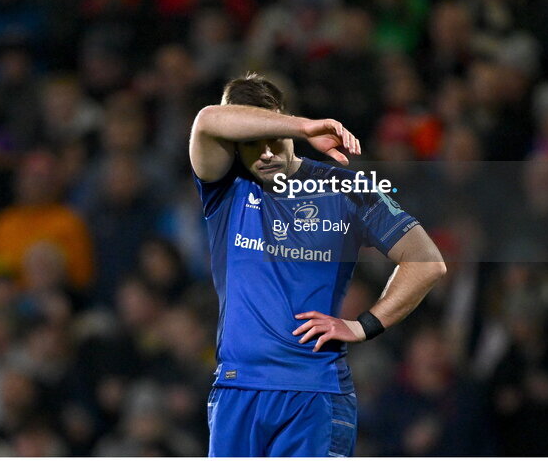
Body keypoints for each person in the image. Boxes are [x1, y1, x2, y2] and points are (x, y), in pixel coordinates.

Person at [188, 73, 446, 456]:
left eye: (272, 138)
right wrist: (304, 127)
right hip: (236, 390)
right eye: (250, 143)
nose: (265, 154)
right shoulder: (225, 189)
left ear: (282, 121)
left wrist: (363, 325)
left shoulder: (347, 188)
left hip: (315, 395)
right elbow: (208, 120)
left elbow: (427, 261)